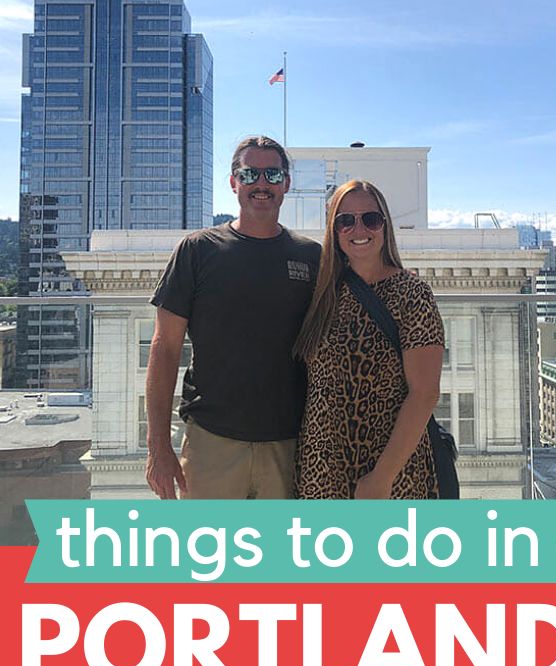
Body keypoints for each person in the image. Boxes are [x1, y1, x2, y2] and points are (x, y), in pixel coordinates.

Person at [145, 136, 321, 500]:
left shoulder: (311, 257)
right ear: (233, 182)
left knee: (284, 554)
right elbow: (164, 349)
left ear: (286, 183)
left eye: (272, 174)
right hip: (212, 443)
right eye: (250, 173)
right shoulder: (197, 251)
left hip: (290, 445)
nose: (261, 183)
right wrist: (158, 448)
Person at [294, 180, 445, 499]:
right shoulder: (323, 294)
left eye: (370, 218)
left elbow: (425, 393)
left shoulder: (412, 294)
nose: (358, 228)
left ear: (385, 225)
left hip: (391, 471)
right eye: (345, 220)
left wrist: (383, 476)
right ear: (333, 231)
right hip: (321, 468)